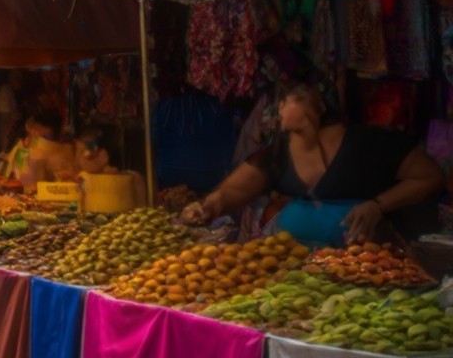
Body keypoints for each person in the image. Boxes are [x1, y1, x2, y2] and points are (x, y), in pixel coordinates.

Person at [184, 83, 443, 245]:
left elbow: (430, 177)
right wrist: (208, 207)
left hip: (366, 267)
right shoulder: (279, 152)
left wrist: (378, 205)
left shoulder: (371, 142)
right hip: (298, 270)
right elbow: (236, 190)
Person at [76, 130, 147, 207]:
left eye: (89, 149)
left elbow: (142, 210)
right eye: (79, 152)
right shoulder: (82, 178)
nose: (84, 157)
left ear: (104, 155)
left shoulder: (134, 178)